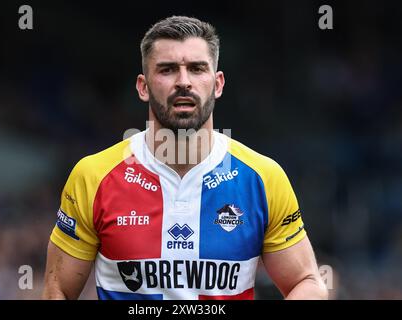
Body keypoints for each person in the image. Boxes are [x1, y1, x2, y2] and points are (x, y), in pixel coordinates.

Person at [42, 16, 328, 300]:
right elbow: (58, 290)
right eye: (167, 70)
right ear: (143, 87)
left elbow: (306, 282)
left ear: (217, 84)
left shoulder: (263, 178)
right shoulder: (93, 176)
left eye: (196, 69)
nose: (183, 82)